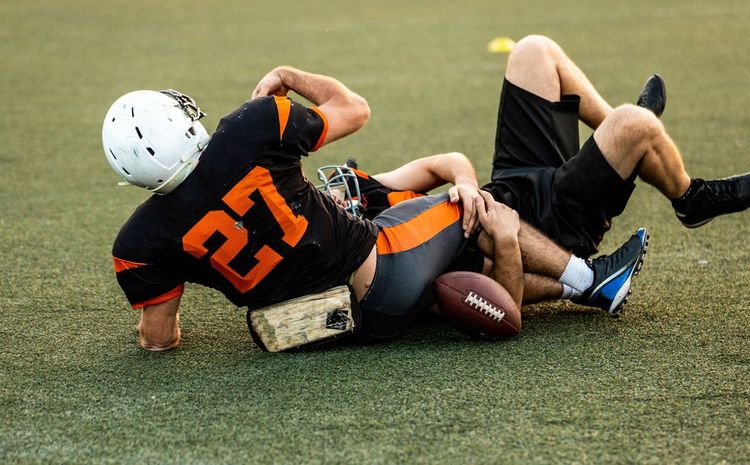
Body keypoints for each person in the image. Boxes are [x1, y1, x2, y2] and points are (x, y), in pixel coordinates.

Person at [103, 66, 645, 351]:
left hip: (322, 327)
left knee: (452, 278)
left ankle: (579, 288)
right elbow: (354, 109)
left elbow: (159, 339)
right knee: (467, 207)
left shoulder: (137, 242)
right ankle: (588, 275)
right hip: (377, 273)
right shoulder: (249, 128)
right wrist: (291, 77)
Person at [327, 34, 750, 303]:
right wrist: (545, 265)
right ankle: (688, 196)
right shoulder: (382, 267)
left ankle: (624, 138)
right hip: (551, 226)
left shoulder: (366, 194)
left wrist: (464, 184)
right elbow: (493, 291)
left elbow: (449, 162)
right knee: (635, 126)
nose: (330, 195)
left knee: (533, 51)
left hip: (512, 180)